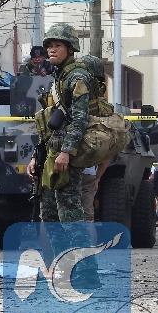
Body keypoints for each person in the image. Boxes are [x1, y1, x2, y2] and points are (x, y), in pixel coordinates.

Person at [26, 23, 101, 287]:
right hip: (52, 153)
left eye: (57, 45)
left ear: (70, 48)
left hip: (65, 156)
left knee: (71, 217)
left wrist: (67, 152)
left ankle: (87, 273)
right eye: (49, 45)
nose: (51, 49)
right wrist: (37, 157)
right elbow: (51, 124)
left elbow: (79, 119)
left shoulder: (76, 76)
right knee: (50, 216)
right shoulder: (59, 77)